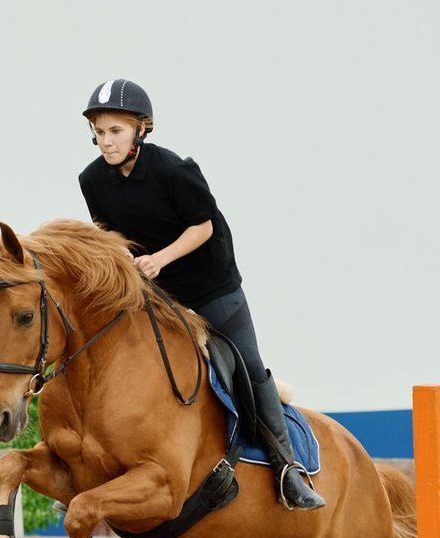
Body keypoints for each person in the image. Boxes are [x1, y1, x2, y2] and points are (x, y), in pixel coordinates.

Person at [77, 78, 324, 511]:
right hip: (156, 288)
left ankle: (289, 468)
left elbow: (203, 227)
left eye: (115, 131)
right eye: (99, 132)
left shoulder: (174, 170)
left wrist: (158, 259)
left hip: (210, 281)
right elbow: (111, 236)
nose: (106, 141)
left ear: (141, 129)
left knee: (248, 364)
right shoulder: (92, 179)